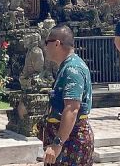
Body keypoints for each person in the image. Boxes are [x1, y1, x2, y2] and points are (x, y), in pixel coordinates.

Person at [42, 25, 94, 166]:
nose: (45, 47)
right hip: (67, 140)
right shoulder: (67, 66)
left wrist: (57, 143)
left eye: (47, 42)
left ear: (57, 43)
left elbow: (72, 108)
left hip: (71, 143)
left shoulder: (72, 69)